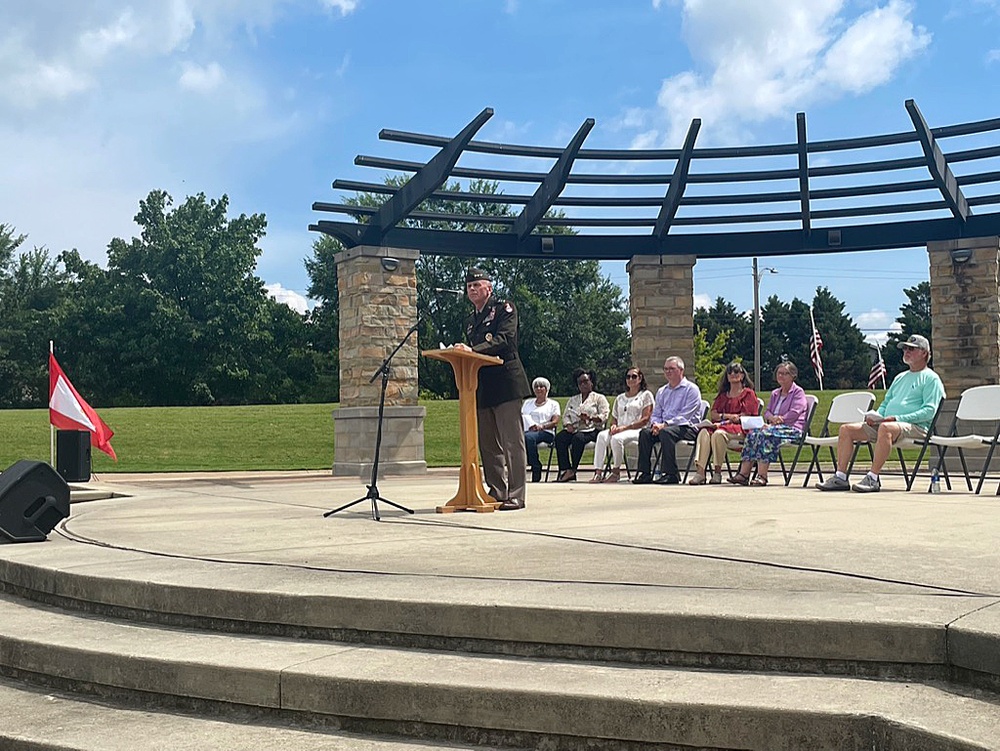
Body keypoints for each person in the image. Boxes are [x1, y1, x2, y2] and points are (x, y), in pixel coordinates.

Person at [816, 334, 945, 493]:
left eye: (911, 349)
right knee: (846, 429)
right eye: (904, 348)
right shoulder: (900, 377)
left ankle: (873, 478)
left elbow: (930, 411)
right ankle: (840, 477)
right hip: (889, 425)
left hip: (917, 427)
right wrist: (875, 416)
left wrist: (896, 418)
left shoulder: (931, 379)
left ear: (924, 353)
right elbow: (886, 403)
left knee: (886, 428)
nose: (906, 352)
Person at [452, 267, 531, 510]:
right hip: (481, 385)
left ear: (489, 287)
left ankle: (516, 494)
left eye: (477, 285)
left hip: (506, 383)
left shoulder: (504, 309)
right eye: (469, 286)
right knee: (488, 444)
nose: (472, 289)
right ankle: (497, 490)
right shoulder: (470, 321)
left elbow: (505, 340)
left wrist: (472, 351)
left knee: (511, 442)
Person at [728, 361, 808, 487]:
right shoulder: (775, 393)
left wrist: (780, 419)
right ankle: (743, 474)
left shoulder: (798, 392)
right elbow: (767, 412)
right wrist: (772, 418)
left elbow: (796, 412)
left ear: (793, 375)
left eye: (785, 373)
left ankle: (762, 476)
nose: (781, 376)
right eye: (779, 373)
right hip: (774, 427)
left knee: (765, 434)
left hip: (792, 429)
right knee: (753, 433)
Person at [632, 356, 703, 485]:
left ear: (681, 370)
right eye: (665, 369)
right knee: (645, 434)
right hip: (664, 427)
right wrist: (655, 424)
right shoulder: (662, 391)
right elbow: (657, 413)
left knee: (666, 432)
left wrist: (664, 425)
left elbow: (685, 416)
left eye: (671, 369)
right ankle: (645, 473)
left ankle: (671, 474)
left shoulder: (691, 389)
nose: (667, 372)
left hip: (687, 428)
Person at [688, 361, 759, 485]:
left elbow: (746, 415)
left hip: (740, 430)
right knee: (704, 432)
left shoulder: (748, 394)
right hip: (721, 426)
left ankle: (717, 473)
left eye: (736, 372)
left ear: (742, 375)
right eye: (730, 372)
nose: (733, 374)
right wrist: (727, 417)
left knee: (718, 434)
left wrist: (726, 420)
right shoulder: (723, 395)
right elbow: (714, 414)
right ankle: (700, 473)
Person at [591, 367, 654, 484]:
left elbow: (645, 419)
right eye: (628, 376)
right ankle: (598, 472)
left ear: (640, 378)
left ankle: (616, 472)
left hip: (637, 430)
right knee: (601, 436)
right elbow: (614, 417)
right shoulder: (620, 398)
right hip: (620, 429)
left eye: (634, 376)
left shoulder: (646, 395)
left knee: (617, 439)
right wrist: (614, 426)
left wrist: (624, 428)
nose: (631, 379)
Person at [554, 368, 610, 482]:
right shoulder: (573, 399)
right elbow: (566, 415)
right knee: (560, 438)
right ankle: (566, 469)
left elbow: (604, 416)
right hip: (575, 428)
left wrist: (590, 418)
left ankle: (573, 469)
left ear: (591, 382)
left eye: (586, 381)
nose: (583, 385)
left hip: (593, 429)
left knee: (577, 438)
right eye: (580, 382)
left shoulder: (599, 398)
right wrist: (568, 425)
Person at [522, 377, 561, 483]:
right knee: (519, 438)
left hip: (546, 432)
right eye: (536, 387)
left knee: (528, 438)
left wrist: (541, 426)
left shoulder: (553, 404)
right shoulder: (527, 403)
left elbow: (555, 422)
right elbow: (521, 416)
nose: (538, 389)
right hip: (527, 430)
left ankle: (535, 466)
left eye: (541, 386)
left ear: (547, 389)